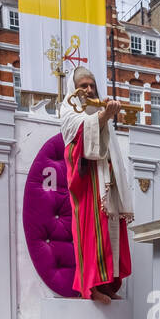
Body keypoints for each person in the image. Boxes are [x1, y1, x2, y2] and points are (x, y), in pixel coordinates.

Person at [60, 65, 134, 303]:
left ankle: (109, 283)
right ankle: (90, 286)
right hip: (89, 183)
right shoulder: (69, 111)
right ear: (74, 88)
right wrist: (103, 117)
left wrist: (103, 115)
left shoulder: (97, 108)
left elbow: (109, 148)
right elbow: (77, 143)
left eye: (92, 85)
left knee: (111, 229)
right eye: (83, 86)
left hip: (106, 180)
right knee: (92, 231)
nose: (89, 90)